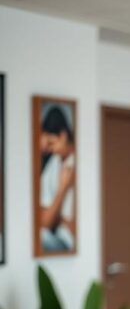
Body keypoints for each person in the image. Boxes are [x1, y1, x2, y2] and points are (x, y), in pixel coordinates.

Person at [37, 105, 76, 252]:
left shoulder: (81, 161)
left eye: (52, 143)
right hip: (59, 237)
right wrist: (63, 188)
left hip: (72, 242)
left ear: (63, 135)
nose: (50, 149)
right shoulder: (53, 165)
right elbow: (45, 222)